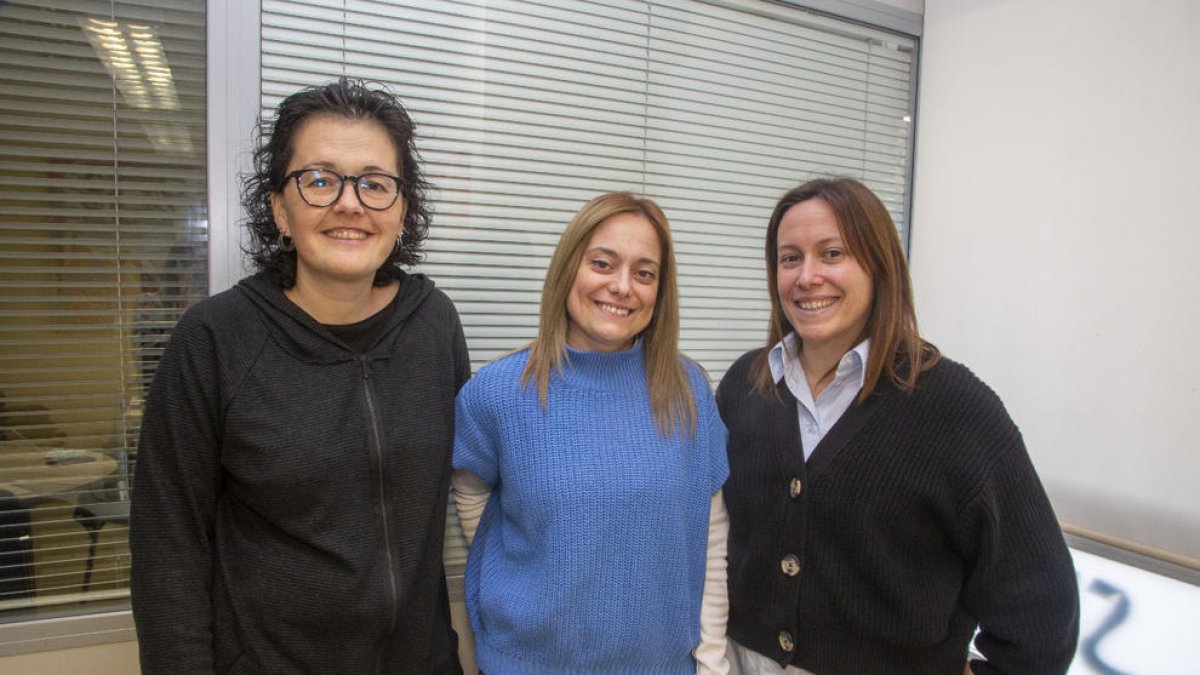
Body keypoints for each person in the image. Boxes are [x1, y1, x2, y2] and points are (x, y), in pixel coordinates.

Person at [130, 78, 468, 674]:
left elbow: (476, 472)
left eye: (374, 183)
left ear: (401, 209)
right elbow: (168, 552)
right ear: (279, 210)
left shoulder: (433, 323)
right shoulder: (214, 339)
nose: (350, 203)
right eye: (319, 180)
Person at [717, 178, 1079, 675]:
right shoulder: (744, 387)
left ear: (878, 265)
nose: (807, 276)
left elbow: (1042, 612)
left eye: (832, 253)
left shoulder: (956, 409)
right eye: (790, 258)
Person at [452, 192, 731, 674]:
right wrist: (531, 572)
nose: (622, 286)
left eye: (644, 273)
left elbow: (709, 536)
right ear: (568, 270)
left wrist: (711, 661)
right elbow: (470, 488)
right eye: (603, 263)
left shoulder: (687, 390)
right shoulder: (498, 393)